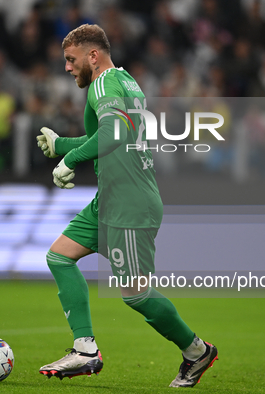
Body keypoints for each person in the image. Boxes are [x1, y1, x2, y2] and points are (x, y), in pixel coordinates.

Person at [35, 24, 218, 388]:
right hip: (112, 198)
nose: (68, 68)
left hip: (129, 203)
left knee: (135, 293)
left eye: (71, 60)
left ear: (93, 56)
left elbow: (115, 133)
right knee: (59, 256)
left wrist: (69, 162)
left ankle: (197, 352)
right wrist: (62, 147)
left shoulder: (103, 83)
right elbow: (106, 132)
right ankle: (85, 348)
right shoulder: (125, 80)